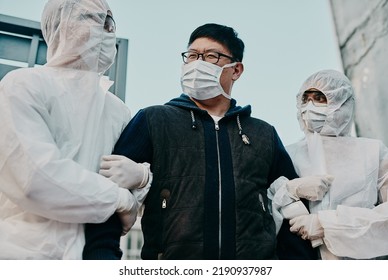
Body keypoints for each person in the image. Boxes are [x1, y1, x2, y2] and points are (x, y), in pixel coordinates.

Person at [83, 23, 317, 260]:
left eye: (211, 56)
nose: (197, 63)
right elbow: (109, 192)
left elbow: (292, 210)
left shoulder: (263, 133)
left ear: (236, 70)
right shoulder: (154, 120)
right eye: (192, 55)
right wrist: (101, 258)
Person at [0, 0, 150, 259]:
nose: (105, 30)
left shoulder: (117, 110)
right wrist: (119, 199)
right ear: (60, 26)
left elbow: (132, 198)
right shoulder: (24, 85)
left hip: (94, 254)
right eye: (89, 18)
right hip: (24, 253)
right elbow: (34, 179)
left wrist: (142, 178)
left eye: (108, 22)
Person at [268, 69, 388, 259]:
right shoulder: (288, 154)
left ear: (343, 103)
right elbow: (261, 214)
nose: (310, 106)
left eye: (319, 98)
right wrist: (288, 191)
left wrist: (327, 224)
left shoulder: (372, 152)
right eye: (305, 99)